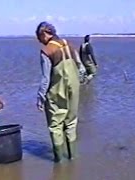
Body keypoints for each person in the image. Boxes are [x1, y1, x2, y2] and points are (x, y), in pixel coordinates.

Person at [36, 21, 80, 163]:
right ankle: (72, 158)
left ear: (44, 34)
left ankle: (59, 162)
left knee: (55, 126)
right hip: (74, 88)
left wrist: (40, 98)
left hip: (57, 91)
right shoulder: (68, 44)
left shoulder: (47, 51)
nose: (39, 41)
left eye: (39, 37)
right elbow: (81, 67)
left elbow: (45, 78)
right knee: (71, 122)